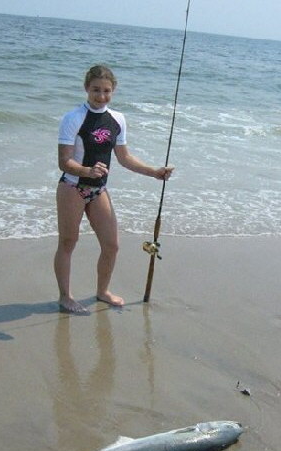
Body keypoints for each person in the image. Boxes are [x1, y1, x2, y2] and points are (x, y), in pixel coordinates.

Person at [54, 64, 173, 313]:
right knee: (68, 242)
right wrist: (87, 171)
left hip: (99, 190)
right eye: (96, 90)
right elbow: (64, 161)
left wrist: (154, 172)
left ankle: (102, 291)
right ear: (86, 88)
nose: (101, 96)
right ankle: (66, 297)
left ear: (113, 90)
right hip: (72, 187)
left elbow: (124, 157)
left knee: (112, 245)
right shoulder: (73, 118)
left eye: (107, 91)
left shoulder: (117, 119)